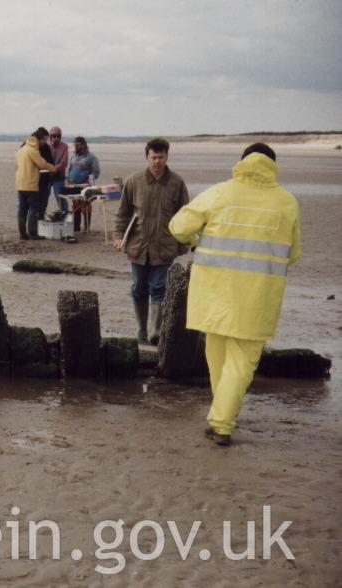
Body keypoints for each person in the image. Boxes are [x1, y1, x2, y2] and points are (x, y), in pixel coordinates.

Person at [169, 143, 300, 446]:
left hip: (214, 294)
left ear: (241, 163)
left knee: (216, 355)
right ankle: (223, 423)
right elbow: (292, 253)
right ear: (273, 166)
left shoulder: (221, 193)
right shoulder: (287, 203)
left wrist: (195, 239)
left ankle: (221, 413)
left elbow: (178, 226)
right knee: (241, 362)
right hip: (257, 298)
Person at [113, 138, 189, 344]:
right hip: (138, 247)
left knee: (158, 287)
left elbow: (186, 217)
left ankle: (155, 332)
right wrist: (119, 237)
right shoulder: (133, 181)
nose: (157, 161)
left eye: (161, 157)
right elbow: (122, 214)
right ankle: (141, 331)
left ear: (166, 157)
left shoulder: (177, 183)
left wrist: (183, 244)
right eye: (153, 157)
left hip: (164, 247)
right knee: (138, 287)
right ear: (147, 157)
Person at [15, 127, 58, 240]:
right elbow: (42, 163)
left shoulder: (21, 149)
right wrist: (53, 168)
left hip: (20, 184)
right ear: (39, 139)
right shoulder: (32, 150)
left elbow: (17, 167)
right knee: (33, 209)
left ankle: (22, 234)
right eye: (44, 139)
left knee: (22, 208)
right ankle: (33, 233)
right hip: (31, 184)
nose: (45, 142)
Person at [48, 126, 69, 212]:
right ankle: (40, 218)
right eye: (54, 136)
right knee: (43, 198)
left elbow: (64, 162)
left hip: (59, 176)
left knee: (61, 198)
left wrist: (54, 169)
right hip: (47, 176)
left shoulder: (64, 146)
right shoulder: (46, 145)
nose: (56, 138)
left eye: (58, 136)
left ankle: (65, 215)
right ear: (50, 136)